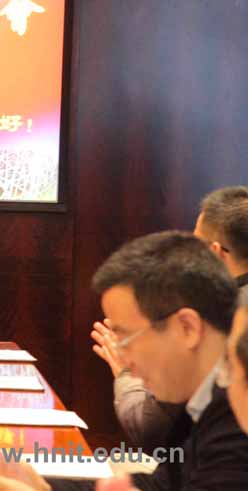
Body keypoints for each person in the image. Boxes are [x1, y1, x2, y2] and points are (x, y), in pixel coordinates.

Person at [0, 230, 248, 491]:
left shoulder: (237, 411)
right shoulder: (204, 397)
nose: (122, 359)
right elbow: (160, 485)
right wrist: (41, 484)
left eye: (125, 338)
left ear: (187, 328)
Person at [91, 186, 248, 448]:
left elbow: (151, 429)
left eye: (195, 246)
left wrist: (126, 372)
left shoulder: (218, 319)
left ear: (188, 328)